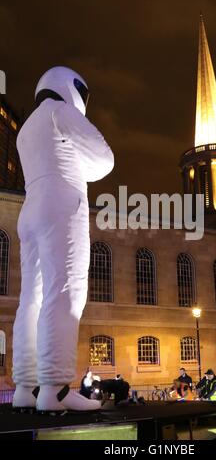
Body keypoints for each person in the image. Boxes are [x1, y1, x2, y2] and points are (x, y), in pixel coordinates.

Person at [12, 66, 114, 413]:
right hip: (62, 204)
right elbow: (104, 159)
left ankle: (25, 388)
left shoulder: (24, 129)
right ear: (71, 88)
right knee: (65, 289)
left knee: (32, 298)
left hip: (30, 211)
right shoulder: (61, 111)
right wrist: (75, 160)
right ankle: (54, 389)